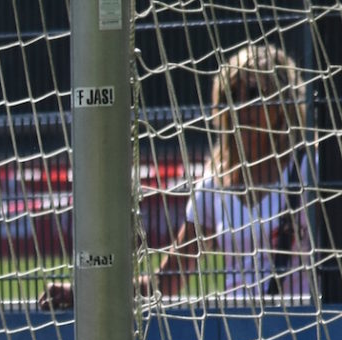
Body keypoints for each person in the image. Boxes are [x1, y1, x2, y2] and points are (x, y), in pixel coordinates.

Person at [40, 43, 313, 308]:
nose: (240, 106)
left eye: (253, 93)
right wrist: (85, 294)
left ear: (282, 105)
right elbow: (168, 280)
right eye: (232, 93)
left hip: (300, 330)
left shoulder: (307, 171)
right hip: (236, 332)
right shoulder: (213, 184)